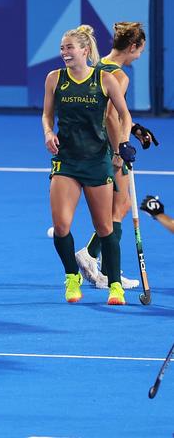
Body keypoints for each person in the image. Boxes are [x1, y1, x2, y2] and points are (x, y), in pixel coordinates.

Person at [42, 24, 137, 305]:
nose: (64, 53)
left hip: (97, 162)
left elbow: (124, 116)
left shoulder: (105, 80)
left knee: (105, 227)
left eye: (69, 48)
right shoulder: (54, 79)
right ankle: (72, 277)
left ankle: (115, 286)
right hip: (66, 161)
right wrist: (48, 133)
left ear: (85, 50)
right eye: (62, 48)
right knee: (61, 226)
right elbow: (47, 116)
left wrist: (124, 143)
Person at [74, 22, 157, 289]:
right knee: (120, 206)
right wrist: (120, 149)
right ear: (132, 47)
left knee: (115, 207)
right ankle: (101, 265)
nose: (139, 56)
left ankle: (98, 259)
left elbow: (104, 110)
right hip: (106, 148)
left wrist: (133, 129)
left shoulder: (98, 66)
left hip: (88, 143)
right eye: (140, 51)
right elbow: (111, 115)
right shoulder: (119, 75)